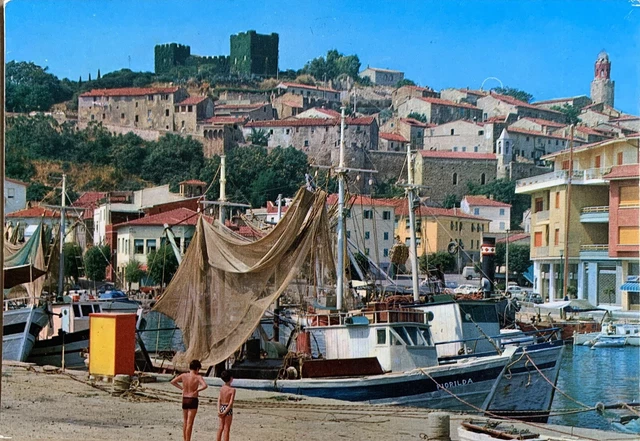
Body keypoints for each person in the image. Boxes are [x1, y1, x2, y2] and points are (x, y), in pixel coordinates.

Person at [171, 359, 208, 441]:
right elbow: (205, 385)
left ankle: (185, 439)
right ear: (197, 368)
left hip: (185, 398)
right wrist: (197, 390)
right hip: (192, 398)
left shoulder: (184, 375)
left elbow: (173, 381)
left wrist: (182, 388)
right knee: (190, 423)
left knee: (185, 421)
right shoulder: (198, 377)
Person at [217, 370, 236, 441]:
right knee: (227, 428)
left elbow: (219, 400)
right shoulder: (232, 390)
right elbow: (231, 403)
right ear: (231, 378)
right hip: (228, 408)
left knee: (221, 427)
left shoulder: (222, 388)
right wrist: (225, 412)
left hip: (222, 407)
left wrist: (219, 410)